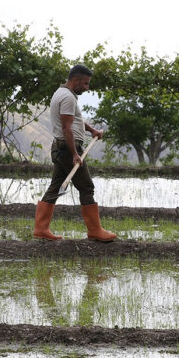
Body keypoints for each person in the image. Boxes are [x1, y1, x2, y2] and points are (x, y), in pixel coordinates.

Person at [32, 64, 116, 242]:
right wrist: (74, 154)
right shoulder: (68, 98)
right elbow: (67, 128)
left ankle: (41, 229)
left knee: (55, 186)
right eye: (85, 84)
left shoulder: (61, 93)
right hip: (68, 149)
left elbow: (74, 120)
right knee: (86, 187)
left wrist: (91, 130)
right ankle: (95, 231)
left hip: (62, 147)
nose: (87, 88)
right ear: (76, 80)